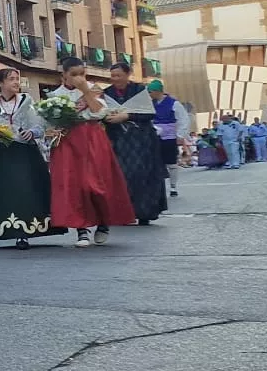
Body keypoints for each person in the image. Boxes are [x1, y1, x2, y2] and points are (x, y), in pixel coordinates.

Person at [47, 59, 135, 248]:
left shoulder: (93, 89)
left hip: (92, 139)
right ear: (64, 75)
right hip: (69, 141)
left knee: (96, 184)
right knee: (75, 185)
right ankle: (82, 229)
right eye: (74, 74)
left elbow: (99, 112)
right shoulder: (55, 96)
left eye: (82, 73)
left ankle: (103, 223)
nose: (79, 78)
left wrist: (85, 91)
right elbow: (49, 121)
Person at [0, 69, 61, 249]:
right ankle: (5, 229)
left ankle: (24, 232)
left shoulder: (26, 101)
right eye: (11, 79)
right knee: (4, 191)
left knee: (25, 188)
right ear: (0, 83)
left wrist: (33, 132)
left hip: (24, 152)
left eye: (16, 79)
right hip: (1, 153)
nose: (15, 82)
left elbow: (39, 123)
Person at [101, 63, 167, 226]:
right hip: (118, 139)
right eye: (113, 76)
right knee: (122, 176)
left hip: (141, 140)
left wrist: (127, 116)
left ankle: (145, 212)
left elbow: (149, 113)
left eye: (118, 75)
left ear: (128, 74)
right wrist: (108, 118)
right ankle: (125, 213)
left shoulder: (139, 90)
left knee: (142, 175)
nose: (115, 79)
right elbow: (100, 112)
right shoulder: (107, 93)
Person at [147, 81, 185, 198]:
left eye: (150, 92)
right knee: (155, 162)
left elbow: (183, 119)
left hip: (169, 137)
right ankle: (158, 187)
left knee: (171, 163)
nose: (149, 94)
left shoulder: (174, 103)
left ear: (158, 91)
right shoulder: (150, 104)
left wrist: (180, 135)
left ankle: (173, 186)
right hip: (154, 136)